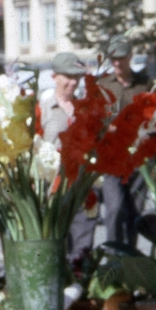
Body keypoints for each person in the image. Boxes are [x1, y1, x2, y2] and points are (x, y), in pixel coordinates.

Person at [42, 52, 97, 262]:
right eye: (68, 77)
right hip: (54, 190)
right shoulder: (44, 108)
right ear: (55, 76)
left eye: (77, 78)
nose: (73, 83)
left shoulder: (85, 109)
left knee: (82, 253)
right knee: (56, 249)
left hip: (82, 188)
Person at [99, 37, 149, 246]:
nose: (117, 63)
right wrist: (106, 127)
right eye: (113, 59)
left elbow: (152, 114)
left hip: (137, 157)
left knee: (134, 211)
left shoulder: (144, 83)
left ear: (130, 57)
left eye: (121, 58)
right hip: (112, 157)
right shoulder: (102, 84)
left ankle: (130, 258)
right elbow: (93, 119)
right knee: (115, 208)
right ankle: (113, 256)